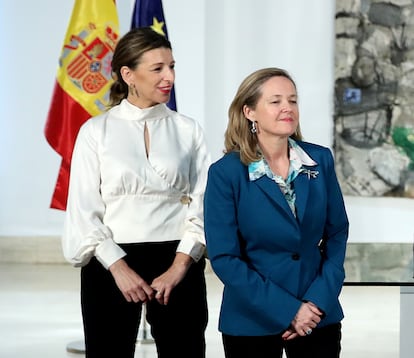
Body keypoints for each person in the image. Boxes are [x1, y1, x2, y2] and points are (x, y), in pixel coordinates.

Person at [62, 27, 210, 358]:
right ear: (128, 74)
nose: (169, 76)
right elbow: (83, 209)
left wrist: (180, 266)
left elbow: (204, 202)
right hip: (110, 260)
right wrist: (118, 267)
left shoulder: (189, 130)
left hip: (178, 259)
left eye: (171, 66)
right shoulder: (95, 131)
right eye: (158, 68)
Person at [204, 67, 349, 358]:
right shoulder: (226, 173)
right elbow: (224, 257)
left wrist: (316, 303)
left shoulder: (319, 159)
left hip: (317, 316)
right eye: (276, 101)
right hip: (251, 321)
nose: (288, 108)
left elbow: (337, 234)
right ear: (250, 112)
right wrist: (290, 310)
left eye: (293, 101)